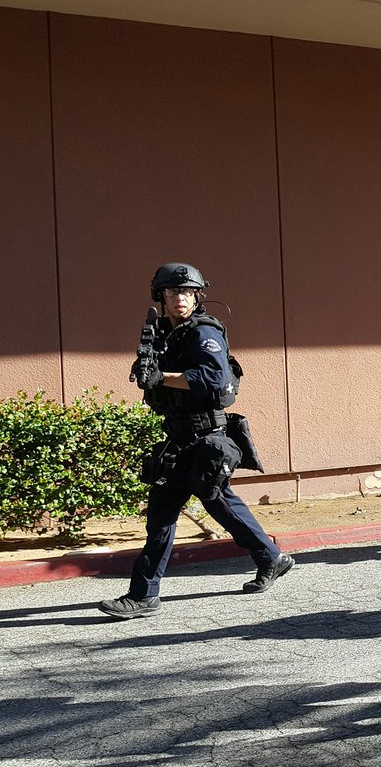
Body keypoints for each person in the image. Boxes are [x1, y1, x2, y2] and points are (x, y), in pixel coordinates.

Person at [99, 263, 293, 619]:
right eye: (173, 293)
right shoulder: (164, 333)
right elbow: (157, 375)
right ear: (162, 297)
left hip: (205, 437)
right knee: (173, 512)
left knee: (209, 502)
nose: (181, 299)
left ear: (198, 295)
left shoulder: (205, 332)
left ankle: (144, 595)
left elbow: (212, 377)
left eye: (187, 292)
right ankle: (269, 557)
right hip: (178, 436)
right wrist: (145, 371)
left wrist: (162, 377)